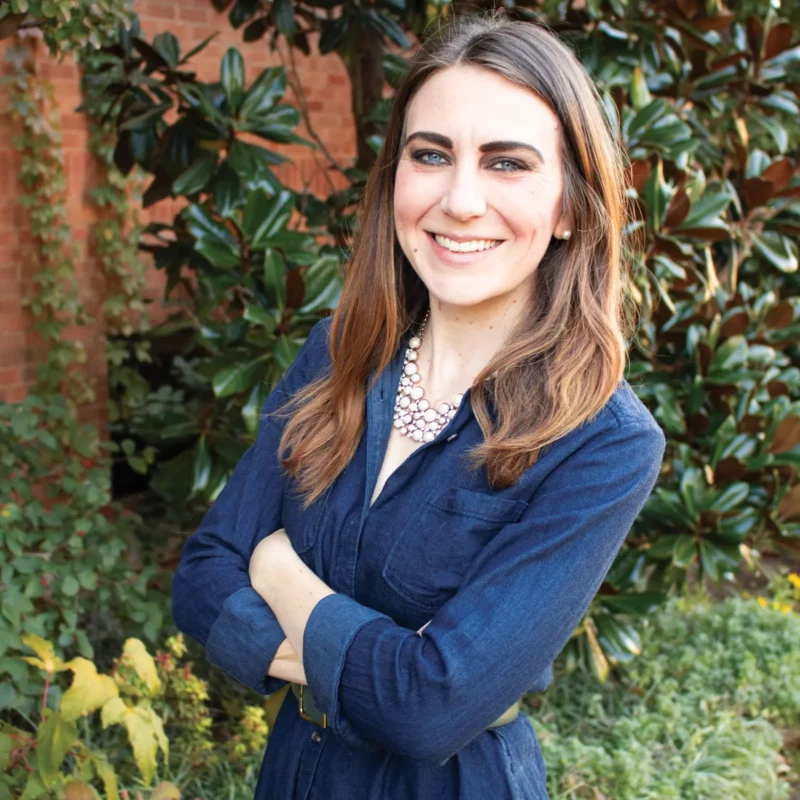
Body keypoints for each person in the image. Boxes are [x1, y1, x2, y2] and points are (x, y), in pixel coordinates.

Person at [172, 12, 666, 800]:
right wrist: (385, 664)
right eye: (431, 154)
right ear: (395, 178)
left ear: (571, 207)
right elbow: (201, 577)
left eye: (507, 163)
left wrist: (278, 575)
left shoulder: (602, 442)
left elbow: (431, 711)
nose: (460, 199)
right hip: (295, 771)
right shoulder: (336, 353)